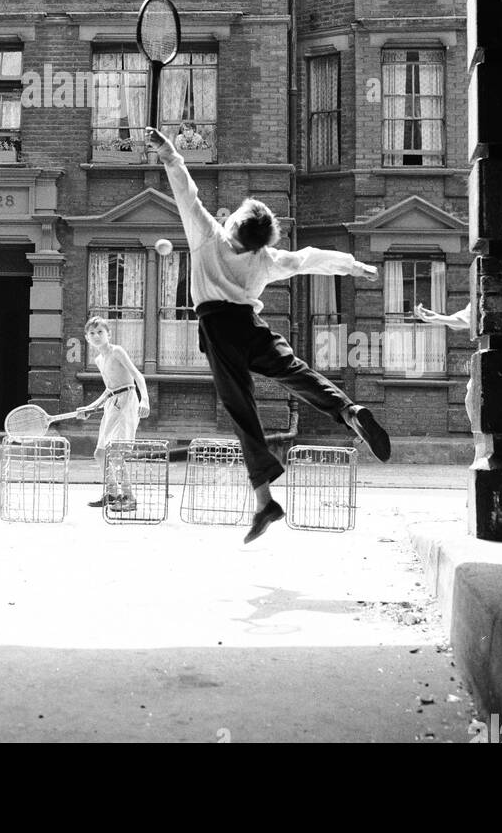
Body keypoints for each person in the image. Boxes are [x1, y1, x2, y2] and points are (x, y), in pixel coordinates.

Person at [146, 124, 392, 544]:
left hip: (218, 331)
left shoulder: (207, 236)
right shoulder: (265, 258)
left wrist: (169, 152)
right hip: (251, 326)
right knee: (295, 371)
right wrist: (352, 265)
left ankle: (264, 501)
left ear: (233, 225)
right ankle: (349, 411)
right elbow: (307, 258)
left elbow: (186, 192)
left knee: (242, 412)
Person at [78, 317, 150, 511]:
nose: (96, 336)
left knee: (116, 453)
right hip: (112, 403)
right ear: (87, 338)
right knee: (100, 454)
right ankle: (112, 493)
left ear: (108, 334)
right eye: (92, 333)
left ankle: (129, 498)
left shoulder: (116, 351)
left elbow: (137, 376)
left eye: (100, 332)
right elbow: (109, 389)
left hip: (127, 400)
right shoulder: (99, 360)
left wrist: (145, 399)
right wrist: (90, 408)